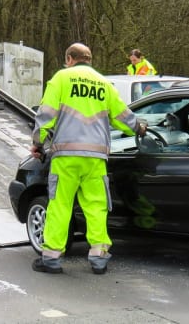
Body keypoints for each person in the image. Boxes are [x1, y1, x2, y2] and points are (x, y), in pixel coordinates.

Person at [30, 42, 146, 275]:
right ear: (90, 60)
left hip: (66, 157)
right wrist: (139, 128)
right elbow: (123, 116)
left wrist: (37, 143)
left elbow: (46, 115)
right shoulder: (105, 84)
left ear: (69, 59)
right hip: (95, 158)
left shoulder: (61, 79)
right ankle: (99, 257)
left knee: (60, 205)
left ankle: (52, 257)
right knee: (96, 207)